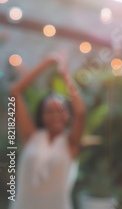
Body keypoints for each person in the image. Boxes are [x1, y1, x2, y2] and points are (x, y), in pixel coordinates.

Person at [8, 54, 86, 209]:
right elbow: (14, 92)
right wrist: (44, 64)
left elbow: (81, 112)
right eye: (49, 111)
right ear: (42, 116)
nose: (55, 116)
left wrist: (64, 73)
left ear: (67, 115)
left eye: (60, 110)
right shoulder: (31, 136)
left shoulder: (70, 143)